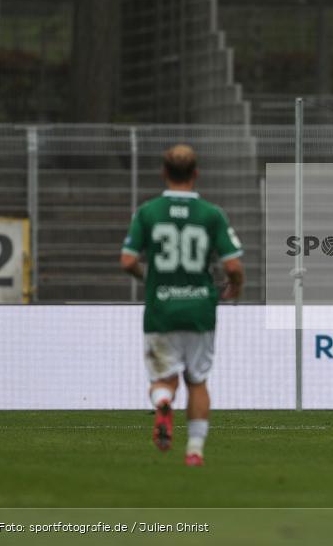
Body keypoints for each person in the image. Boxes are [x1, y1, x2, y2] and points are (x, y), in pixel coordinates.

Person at [120, 144, 244, 466]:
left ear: (164, 172)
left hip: (161, 309)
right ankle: (194, 451)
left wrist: (147, 276)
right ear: (196, 173)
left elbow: (127, 260)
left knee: (163, 380)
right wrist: (236, 288)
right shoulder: (211, 214)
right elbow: (233, 267)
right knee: (197, 381)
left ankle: (162, 402)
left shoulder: (148, 212)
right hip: (200, 308)